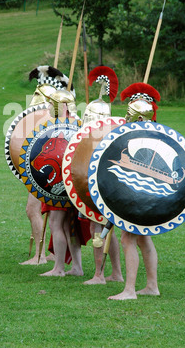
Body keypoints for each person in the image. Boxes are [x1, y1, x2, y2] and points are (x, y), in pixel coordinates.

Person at [108, 82, 161, 300]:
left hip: (138, 196)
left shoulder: (140, 140)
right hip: (150, 198)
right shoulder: (158, 136)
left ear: (139, 117)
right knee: (143, 239)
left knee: (128, 239)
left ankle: (129, 290)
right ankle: (151, 286)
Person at [20, 65, 76, 265]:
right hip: (50, 172)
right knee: (54, 216)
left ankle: (41, 255)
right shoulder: (52, 120)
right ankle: (52, 255)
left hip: (49, 174)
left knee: (33, 210)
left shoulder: (62, 122)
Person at [37, 88, 91, 277]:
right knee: (71, 225)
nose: (50, 106)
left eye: (53, 103)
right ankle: (77, 267)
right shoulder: (80, 125)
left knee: (56, 224)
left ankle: (58, 268)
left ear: (61, 106)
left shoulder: (54, 128)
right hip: (74, 184)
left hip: (58, 183)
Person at [80, 66, 123, 285]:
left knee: (97, 228)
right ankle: (116, 273)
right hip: (111, 191)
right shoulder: (115, 135)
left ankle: (99, 275)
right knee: (109, 229)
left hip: (97, 191)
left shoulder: (95, 138)